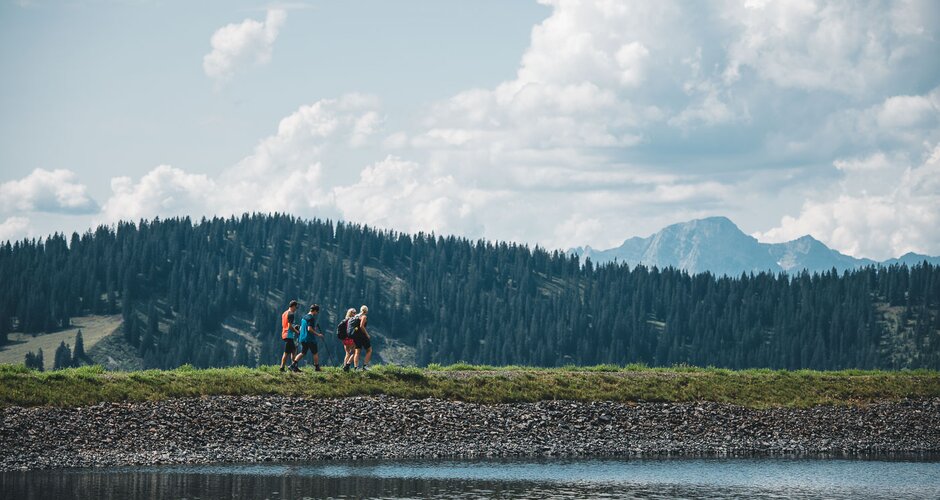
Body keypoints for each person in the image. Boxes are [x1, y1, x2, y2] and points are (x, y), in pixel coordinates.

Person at [292, 304, 323, 371]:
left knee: (303, 352)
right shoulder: (311, 318)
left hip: (302, 338)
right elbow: (309, 329)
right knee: (315, 352)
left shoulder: (304, 317)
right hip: (310, 338)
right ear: (314, 311)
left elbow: (302, 328)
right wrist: (318, 334)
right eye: (317, 312)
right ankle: (317, 367)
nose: (317, 313)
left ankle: (293, 365)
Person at [280, 300, 300, 372]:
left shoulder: (284, 313)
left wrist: (295, 327)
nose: (296, 309)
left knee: (293, 350)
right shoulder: (291, 314)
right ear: (293, 306)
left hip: (285, 333)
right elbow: (290, 327)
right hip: (288, 335)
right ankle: (282, 368)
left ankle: (294, 366)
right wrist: (297, 331)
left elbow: (285, 325)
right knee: (286, 352)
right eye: (296, 307)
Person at [352, 305, 372, 371]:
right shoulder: (364, 316)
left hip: (355, 336)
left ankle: (356, 367)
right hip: (362, 336)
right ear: (366, 311)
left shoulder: (356, 316)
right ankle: (365, 366)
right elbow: (361, 326)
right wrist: (367, 334)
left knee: (357, 352)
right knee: (369, 350)